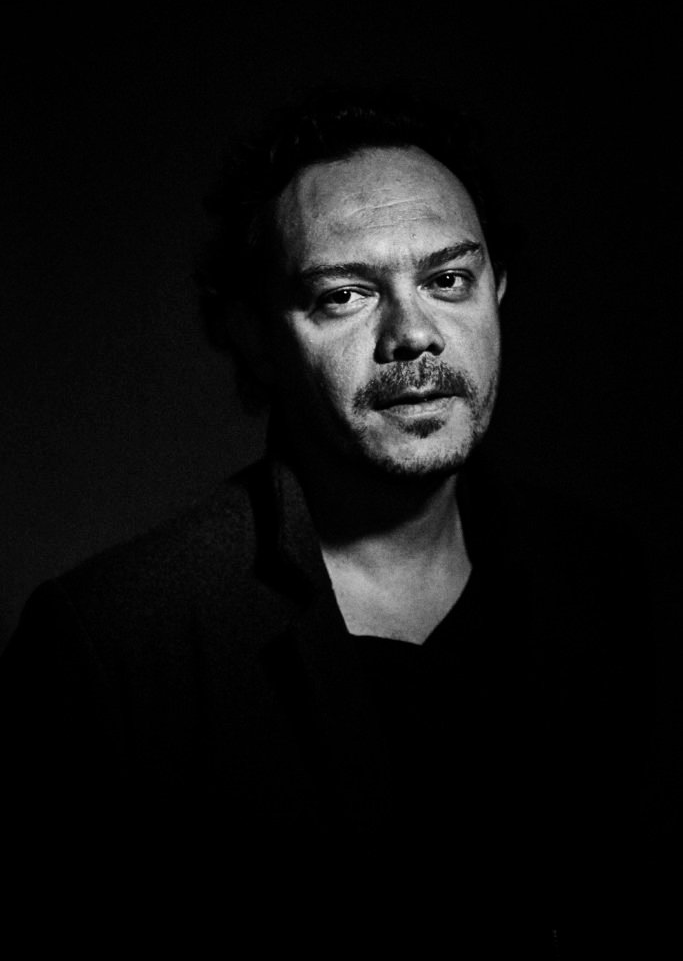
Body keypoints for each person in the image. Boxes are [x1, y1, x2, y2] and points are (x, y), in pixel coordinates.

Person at [1, 89, 652, 953]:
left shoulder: (610, 583)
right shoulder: (110, 646)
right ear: (251, 335)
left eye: (447, 280)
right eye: (345, 294)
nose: (413, 335)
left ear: (496, 289)